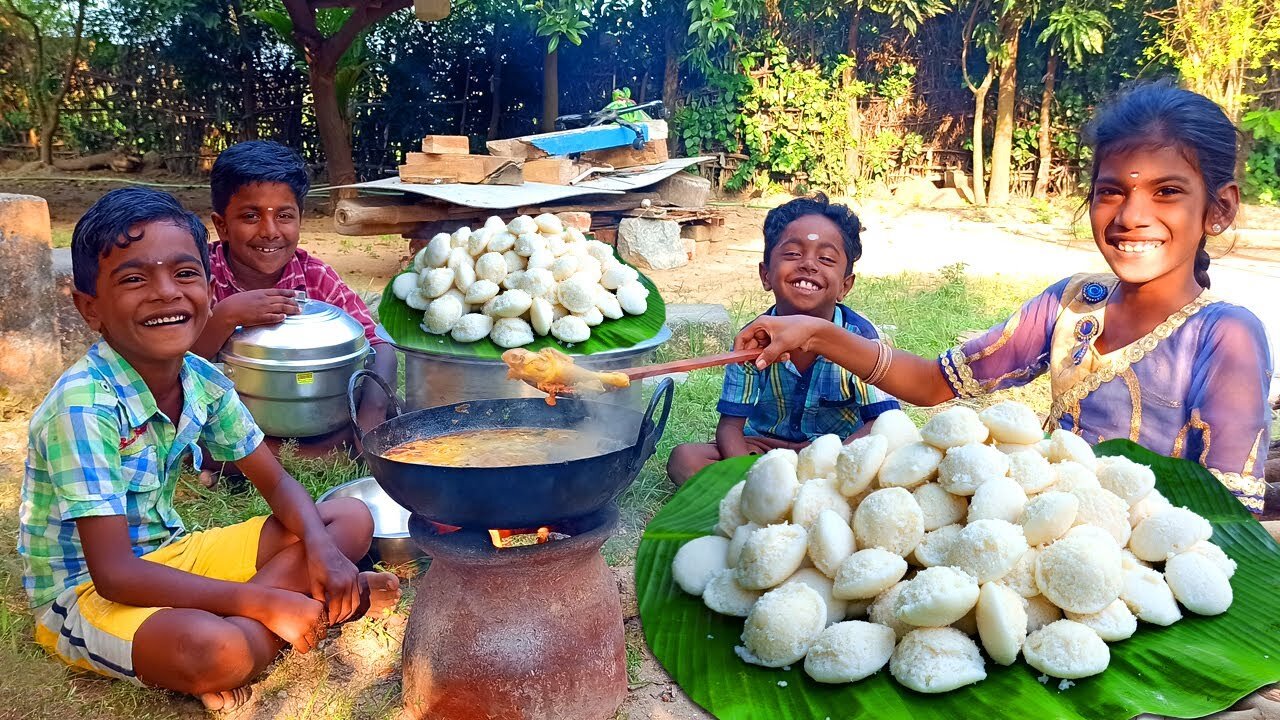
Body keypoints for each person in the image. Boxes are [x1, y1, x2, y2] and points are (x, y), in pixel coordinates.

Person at [735, 81, 1274, 514]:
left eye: (1168, 192)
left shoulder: (1226, 335)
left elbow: (1227, 513)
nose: (1131, 215)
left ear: (1219, 209)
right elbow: (930, 384)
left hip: (1141, 569)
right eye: (1111, 190)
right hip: (1043, 528)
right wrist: (818, 333)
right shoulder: (1072, 303)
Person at [19, 187, 401, 711]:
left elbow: (277, 482)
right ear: (91, 308)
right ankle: (294, 612)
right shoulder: (83, 406)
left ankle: (289, 610)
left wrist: (321, 549)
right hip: (89, 591)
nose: (165, 294)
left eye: (184, 273)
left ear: (207, 286)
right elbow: (115, 573)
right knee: (214, 651)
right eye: (134, 279)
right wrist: (263, 600)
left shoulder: (201, 378)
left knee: (348, 521)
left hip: (173, 555)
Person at [667, 194, 901, 485]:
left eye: (826, 259)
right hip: (766, 449)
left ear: (845, 286)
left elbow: (885, 423)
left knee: (890, 459)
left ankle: (813, 492)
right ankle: (765, 495)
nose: (809, 265)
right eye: (792, 254)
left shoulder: (860, 339)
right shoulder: (752, 340)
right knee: (685, 460)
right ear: (766, 275)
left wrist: (834, 460)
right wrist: (749, 479)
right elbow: (730, 427)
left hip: (836, 452)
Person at [191, 140, 397, 457]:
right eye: (250, 216)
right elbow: (178, 366)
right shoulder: (198, 277)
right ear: (222, 226)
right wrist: (225, 317)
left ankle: (322, 445)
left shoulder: (314, 277)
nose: (270, 231)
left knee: (396, 409)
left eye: (284, 215)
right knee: (192, 438)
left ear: (300, 218)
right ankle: (314, 452)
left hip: (308, 411)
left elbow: (378, 346)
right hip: (224, 423)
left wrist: (372, 415)